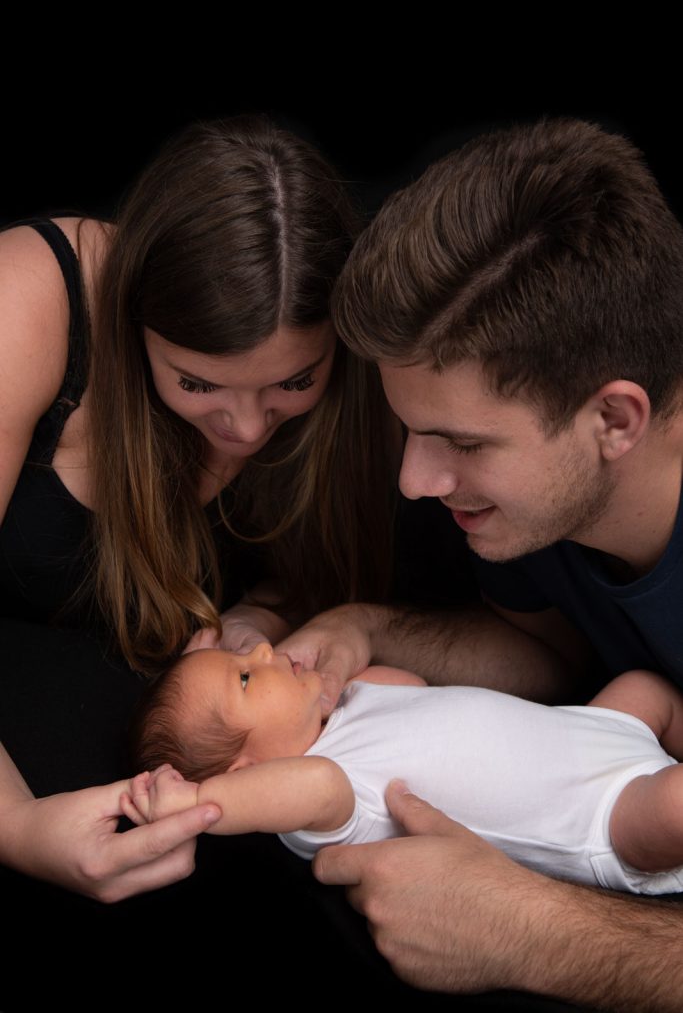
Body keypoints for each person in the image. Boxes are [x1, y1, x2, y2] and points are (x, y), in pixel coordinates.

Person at [277, 118, 683, 1009]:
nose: (416, 481)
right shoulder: (544, 510)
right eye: (411, 432)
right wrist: (366, 629)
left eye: (460, 442)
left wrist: (535, 933)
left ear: (615, 420)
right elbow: (544, 655)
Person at [0, 117, 397, 912]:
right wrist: (17, 829)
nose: (247, 428)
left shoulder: (359, 375)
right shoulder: (33, 299)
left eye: (290, 384)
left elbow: (310, 577)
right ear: (134, 318)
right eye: (196, 383)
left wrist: (259, 616)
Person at [128, 645, 683, 896]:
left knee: (646, 688)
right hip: (603, 818)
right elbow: (313, 786)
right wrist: (198, 802)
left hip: (595, 730)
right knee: (672, 806)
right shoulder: (323, 797)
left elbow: (413, 693)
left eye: (244, 654)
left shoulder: (344, 712)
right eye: (245, 678)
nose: (267, 650)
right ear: (245, 770)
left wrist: (329, 688)